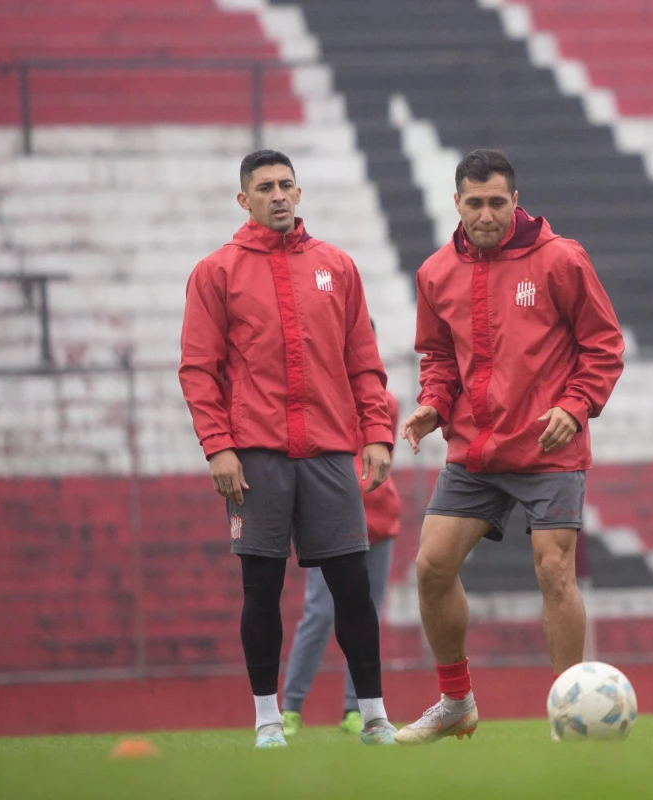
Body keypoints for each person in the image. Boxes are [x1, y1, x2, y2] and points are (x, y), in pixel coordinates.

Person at [394, 149, 625, 745]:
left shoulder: (560, 259)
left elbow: (603, 346)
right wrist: (433, 404)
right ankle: (455, 702)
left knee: (554, 571)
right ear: (457, 203)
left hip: (549, 444)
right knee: (431, 567)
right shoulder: (435, 272)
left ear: (516, 201)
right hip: (475, 449)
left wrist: (573, 409)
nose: (487, 214)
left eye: (498, 201)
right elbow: (440, 358)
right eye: (475, 203)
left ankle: (572, 714)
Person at [179, 149, 398, 748]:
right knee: (261, 588)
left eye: (287, 185)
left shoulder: (338, 267)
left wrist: (376, 434)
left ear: (299, 194)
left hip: (330, 451)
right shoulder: (215, 272)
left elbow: (364, 362)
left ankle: (374, 715)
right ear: (243, 200)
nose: (279, 194)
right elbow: (199, 370)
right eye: (265, 187)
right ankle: (267, 720)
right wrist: (219, 448)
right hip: (256, 455)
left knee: (353, 585)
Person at [281, 330, 402, 737]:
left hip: (378, 520)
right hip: (330, 520)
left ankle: (356, 709)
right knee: (320, 612)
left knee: (366, 611)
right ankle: (292, 708)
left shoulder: (385, 405)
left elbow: (377, 456)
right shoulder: (315, 403)